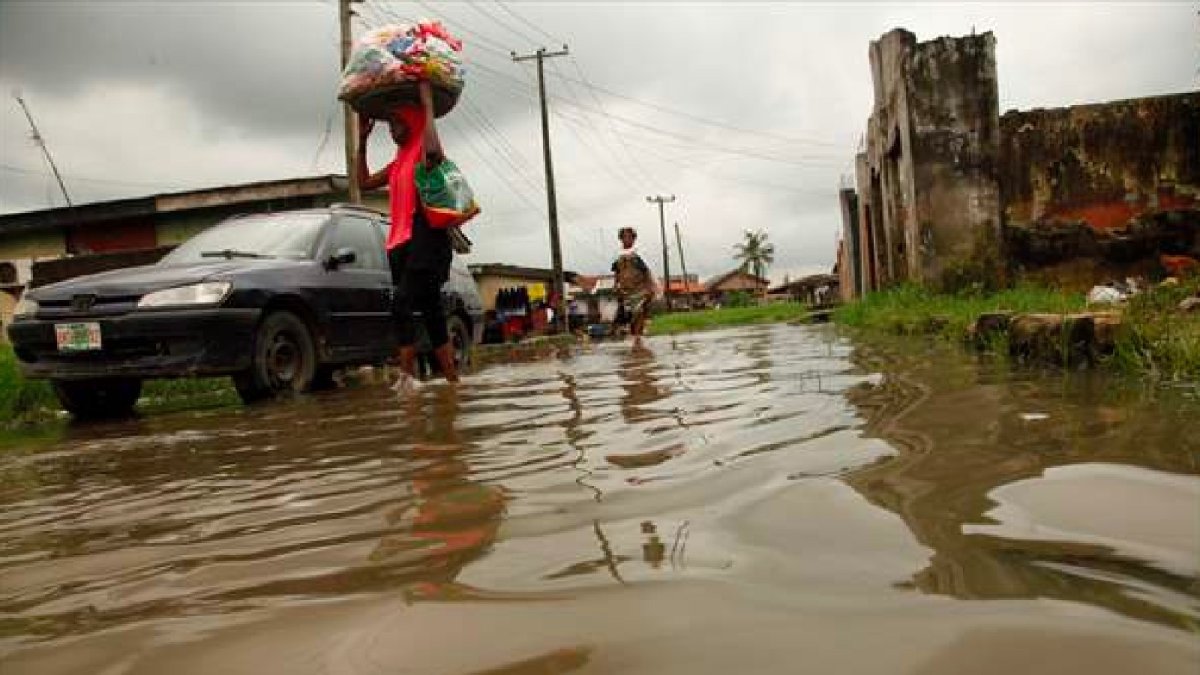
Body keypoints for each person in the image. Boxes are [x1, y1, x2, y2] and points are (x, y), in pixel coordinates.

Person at [356, 82, 457, 391]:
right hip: (399, 244)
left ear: (412, 122)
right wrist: (362, 141)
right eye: (389, 124)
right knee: (431, 311)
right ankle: (453, 382)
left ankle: (406, 378)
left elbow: (434, 152)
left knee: (401, 302)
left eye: (397, 122)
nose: (391, 129)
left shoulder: (422, 153)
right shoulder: (398, 162)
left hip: (425, 240)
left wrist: (427, 106)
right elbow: (363, 183)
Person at [610, 227, 658, 341]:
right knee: (631, 313)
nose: (627, 239)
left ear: (634, 239)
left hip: (639, 287)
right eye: (624, 237)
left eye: (630, 237)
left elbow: (646, 270)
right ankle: (635, 334)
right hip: (626, 288)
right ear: (621, 239)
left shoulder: (638, 253)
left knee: (639, 311)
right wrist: (615, 285)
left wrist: (651, 286)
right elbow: (617, 271)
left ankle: (638, 337)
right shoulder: (618, 255)